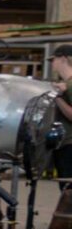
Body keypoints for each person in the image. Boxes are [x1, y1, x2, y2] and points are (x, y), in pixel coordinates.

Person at [49, 45, 72, 182]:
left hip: (69, 146)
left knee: (68, 189)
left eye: (54, 59)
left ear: (63, 59)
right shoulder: (65, 84)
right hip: (63, 144)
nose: (52, 63)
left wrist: (56, 97)